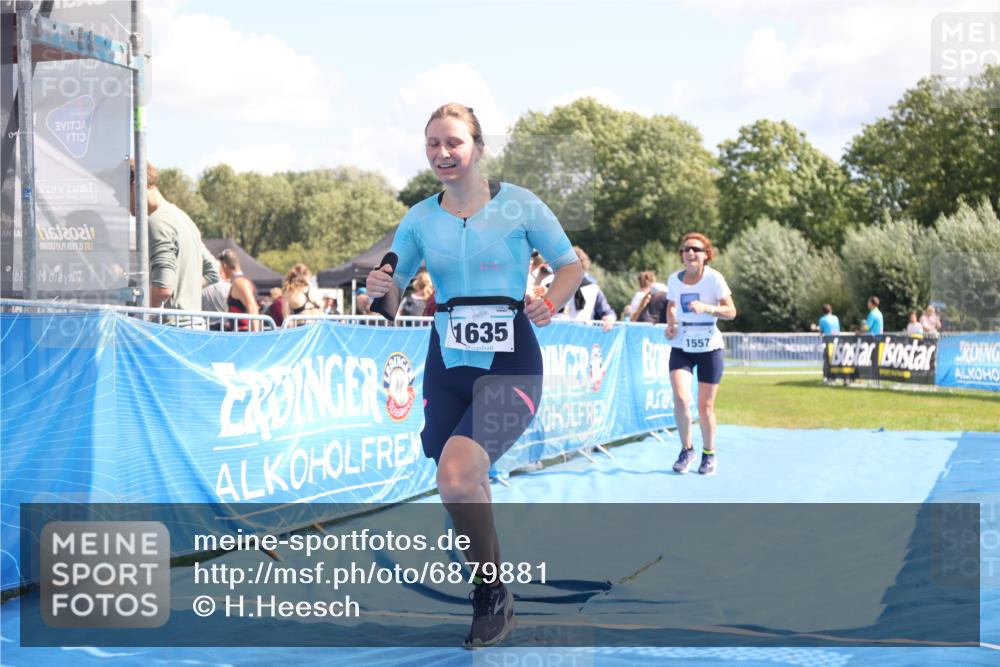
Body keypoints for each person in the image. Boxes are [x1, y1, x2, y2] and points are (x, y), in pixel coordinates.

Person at [365, 103, 583, 649]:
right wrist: (379, 287)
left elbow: (571, 265)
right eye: (433, 144)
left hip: (512, 366)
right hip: (447, 365)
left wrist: (551, 300)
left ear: (478, 148)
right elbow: (394, 285)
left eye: (454, 143)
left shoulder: (520, 205)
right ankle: (497, 590)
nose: (443, 153)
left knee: (458, 479)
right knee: (466, 483)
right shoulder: (419, 217)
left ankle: (488, 595)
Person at [664, 232, 737, 476]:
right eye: (686, 249)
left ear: (706, 255)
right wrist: (671, 324)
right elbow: (671, 306)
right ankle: (687, 449)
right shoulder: (674, 279)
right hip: (682, 345)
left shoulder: (714, 279)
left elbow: (731, 311)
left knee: (705, 407)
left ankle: (708, 454)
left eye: (696, 249)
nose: (690, 253)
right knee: (682, 399)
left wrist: (707, 308)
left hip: (709, 347)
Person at [131, 160, 219, 326]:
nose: (121, 203)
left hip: (172, 332)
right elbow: (213, 271)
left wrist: (134, 321)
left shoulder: (157, 221)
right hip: (194, 327)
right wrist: (184, 291)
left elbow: (162, 289)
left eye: (120, 194)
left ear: (135, 184)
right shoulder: (183, 218)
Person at [551, 246, 616, 332]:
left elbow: (607, 312)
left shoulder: (593, 288)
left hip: (582, 339)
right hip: (556, 337)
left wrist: (609, 320)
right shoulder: (552, 286)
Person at [218, 249, 260, 331]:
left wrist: (255, 336)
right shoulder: (241, 281)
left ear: (224, 266)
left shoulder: (239, 282)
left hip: (242, 335)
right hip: (240, 334)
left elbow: (253, 307)